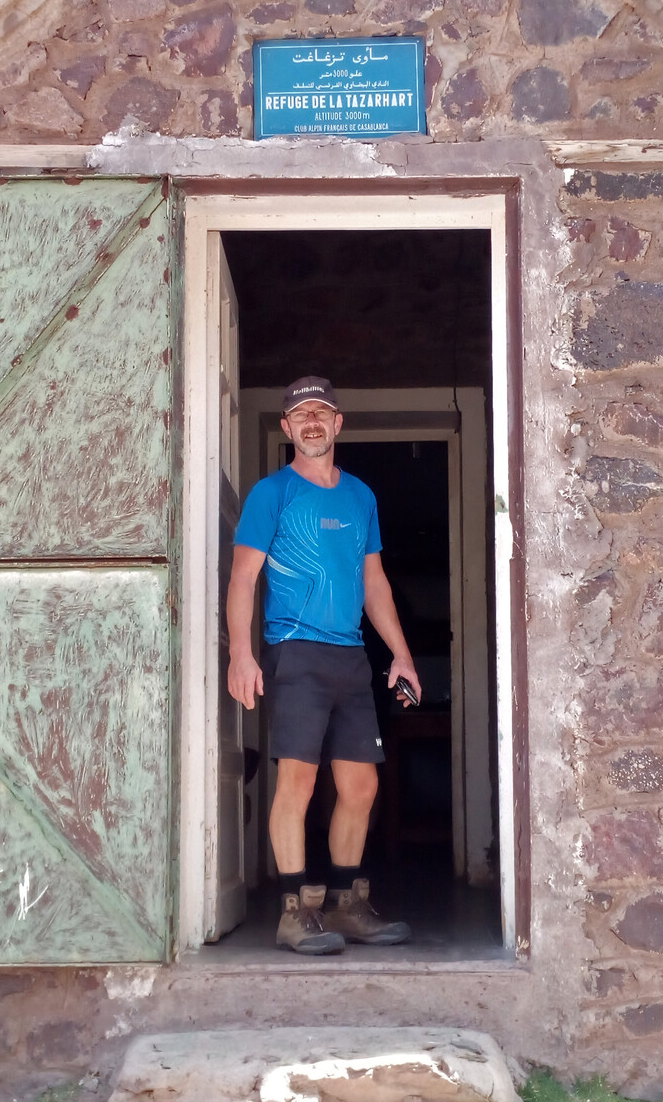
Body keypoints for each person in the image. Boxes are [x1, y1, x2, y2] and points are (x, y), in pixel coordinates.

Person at [227, 376, 422, 955]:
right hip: (294, 652)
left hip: (351, 656)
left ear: (339, 425)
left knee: (361, 784)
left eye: (322, 413)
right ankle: (294, 912)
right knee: (299, 780)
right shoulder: (272, 494)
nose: (312, 423)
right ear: (286, 429)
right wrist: (242, 652)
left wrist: (402, 656)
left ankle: (346, 905)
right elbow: (243, 577)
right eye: (300, 415)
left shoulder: (361, 497)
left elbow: (374, 581)